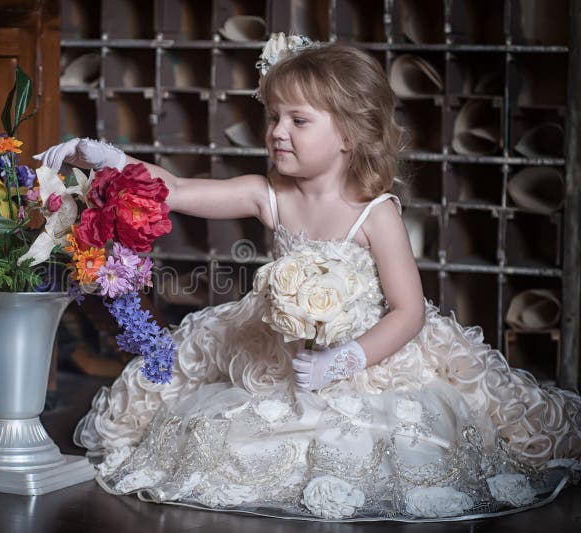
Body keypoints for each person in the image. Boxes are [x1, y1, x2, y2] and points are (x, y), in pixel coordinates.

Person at [37, 39, 580, 521]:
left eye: (298, 121)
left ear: (349, 134)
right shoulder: (268, 193)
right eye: (272, 117)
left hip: (367, 355)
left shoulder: (376, 214)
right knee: (231, 428)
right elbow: (175, 189)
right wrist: (106, 158)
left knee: (385, 439)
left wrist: (343, 360)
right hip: (279, 346)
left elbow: (408, 312)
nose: (276, 133)